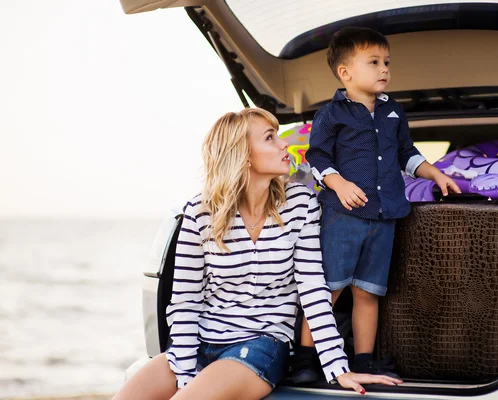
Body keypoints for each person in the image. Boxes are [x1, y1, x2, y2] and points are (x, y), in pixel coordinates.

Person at [112, 108, 403, 400]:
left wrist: (337, 367)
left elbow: (314, 289)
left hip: (261, 345)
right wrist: (185, 376)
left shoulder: (301, 203)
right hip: (197, 343)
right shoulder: (200, 211)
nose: (283, 144)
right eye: (270, 138)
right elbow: (186, 302)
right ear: (243, 155)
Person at [293, 27, 461, 383]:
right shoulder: (331, 114)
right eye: (373, 62)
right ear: (345, 72)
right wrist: (338, 183)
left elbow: (407, 154)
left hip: (385, 217)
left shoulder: (393, 111)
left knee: (368, 292)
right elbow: (317, 157)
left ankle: (364, 360)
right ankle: (306, 360)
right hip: (343, 216)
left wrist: (435, 174)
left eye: (387, 62)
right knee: (328, 290)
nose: (384, 68)